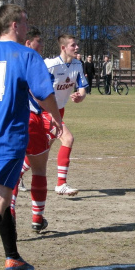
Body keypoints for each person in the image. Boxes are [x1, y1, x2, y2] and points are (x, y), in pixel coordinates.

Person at [0, 4, 62, 270]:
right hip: (6, 140)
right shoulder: (27, 55)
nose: (28, 27)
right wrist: (56, 116)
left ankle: (12, 256)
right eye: (26, 22)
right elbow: (43, 93)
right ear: (15, 25)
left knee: (0, 196)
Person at [10, 26, 60, 233]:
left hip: (7, 120)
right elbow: (41, 93)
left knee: (10, 171)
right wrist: (57, 119)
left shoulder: (0, 56)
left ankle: (8, 214)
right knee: (39, 168)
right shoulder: (33, 58)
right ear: (28, 42)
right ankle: (37, 218)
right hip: (31, 118)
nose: (42, 45)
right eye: (39, 41)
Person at [42, 34, 88, 196]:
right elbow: (41, 92)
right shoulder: (51, 65)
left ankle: (18, 175)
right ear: (63, 48)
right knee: (68, 139)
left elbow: (82, 88)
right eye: (73, 46)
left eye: (76, 45)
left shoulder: (77, 64)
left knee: (43, 148)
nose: (77, 48)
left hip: (59, 110)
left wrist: (80, 96)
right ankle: (61, 184)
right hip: (45, 111)